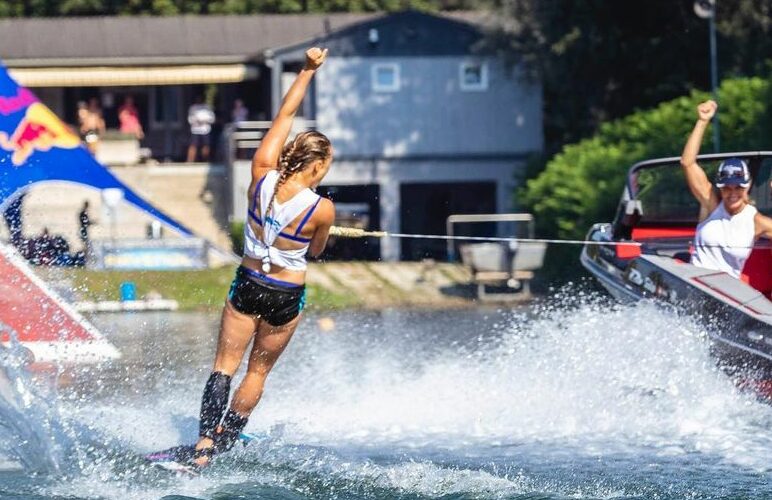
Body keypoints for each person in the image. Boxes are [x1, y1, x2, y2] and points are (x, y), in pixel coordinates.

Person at [192, 47, 334, 467]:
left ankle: (202, 447)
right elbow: (318, 251)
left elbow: (284, 117)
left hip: (249, 284)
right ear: (318, 166)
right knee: (257, 373)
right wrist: (318, 230)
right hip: (286, 294)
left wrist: (307, 70)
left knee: (224, 367)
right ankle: (225, 445)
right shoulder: (321, 208)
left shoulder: (260, 173)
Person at [680, 100, 772, 278]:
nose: (733, 193)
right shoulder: (710, 204)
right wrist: (702, 121)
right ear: (720, 189)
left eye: (738, 187)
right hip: (695, 283)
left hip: (728, 295)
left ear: (748, 186)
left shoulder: (755, 220)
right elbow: (687, 163)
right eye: (727, 188)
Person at [187, 96, 215, 162]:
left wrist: (205, 121)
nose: (199, 99)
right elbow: (190, 119)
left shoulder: (207, 107)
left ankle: (205, 160)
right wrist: (196, 121)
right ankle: (190, 161)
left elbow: (212, 119)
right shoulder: (193, 108)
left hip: (205, 130)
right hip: (195, 130)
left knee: (206, 146)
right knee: (193, 145)